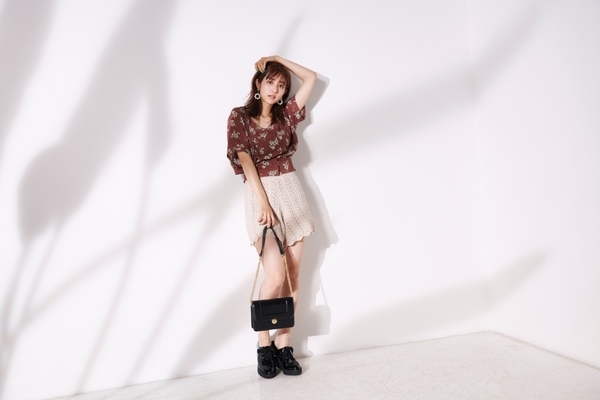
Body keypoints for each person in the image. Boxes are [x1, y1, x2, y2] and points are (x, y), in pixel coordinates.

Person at [226, 56, 317, 378]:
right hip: (259, 194)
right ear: (257, 83)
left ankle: (284, 344)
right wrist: (263, 202)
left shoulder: (286, 115)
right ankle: (264, 344)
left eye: (281, 85)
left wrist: (277, 60)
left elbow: (311, 78)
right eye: (270, 81)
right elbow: (244, 159)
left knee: (292, 274)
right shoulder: (239, 117)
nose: (275, 89)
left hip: (291, 191)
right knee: (275, 276)